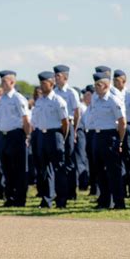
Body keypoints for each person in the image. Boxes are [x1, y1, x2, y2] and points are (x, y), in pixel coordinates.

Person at [90, 72, 126, 209]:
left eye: (98, 85)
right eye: (95, 85)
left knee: (113, 172)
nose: (96, 88)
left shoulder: (113, 100)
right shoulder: (94, 98)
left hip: (110, 136)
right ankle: (104, 201)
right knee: (99, 172)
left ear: (106, 85)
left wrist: (120, 141)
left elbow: (122, 122)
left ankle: (119, 202)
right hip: (97, 135)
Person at [33, 72, 69, 208]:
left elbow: (65, 122)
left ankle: (61, 200)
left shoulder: (57, 101)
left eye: (44, 83)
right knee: (45, 170)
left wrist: (61, 138)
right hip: (42, 135)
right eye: (41, 83)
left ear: (52, 84)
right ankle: (46, 199)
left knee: (59, 169)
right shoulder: (40, 101)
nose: (42, 86)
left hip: (55, 135)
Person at [0, 70, 31, 207]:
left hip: (16, 135)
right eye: (2, 82)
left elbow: (26, 119)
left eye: (4, 82)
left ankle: (20, 199)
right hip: (4, 135)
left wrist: (27, 136)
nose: (2, 84)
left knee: (19, 168)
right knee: (7, 168)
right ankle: (9, 197)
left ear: (12, 82)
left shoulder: (18, 98)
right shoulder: (3, 98)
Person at [53, 65, 80, 200]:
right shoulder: (54, 92)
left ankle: (71, 192)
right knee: (58, 159)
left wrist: (74, 130)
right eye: (55, 76)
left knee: (69, 160)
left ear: (65, 77)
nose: (55, 78)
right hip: (56, 127)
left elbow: (77, 113)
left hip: (68, 125)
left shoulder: (71, 92)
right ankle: (60, 191)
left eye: (58, 76)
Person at [113, 69, 130, 198]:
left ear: (124, 81)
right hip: (116, 128)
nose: (115, 83)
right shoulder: (113, 95)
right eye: (114, 80)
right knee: (119, 160)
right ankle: (121, 190)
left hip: (128, 127)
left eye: (117, 80)